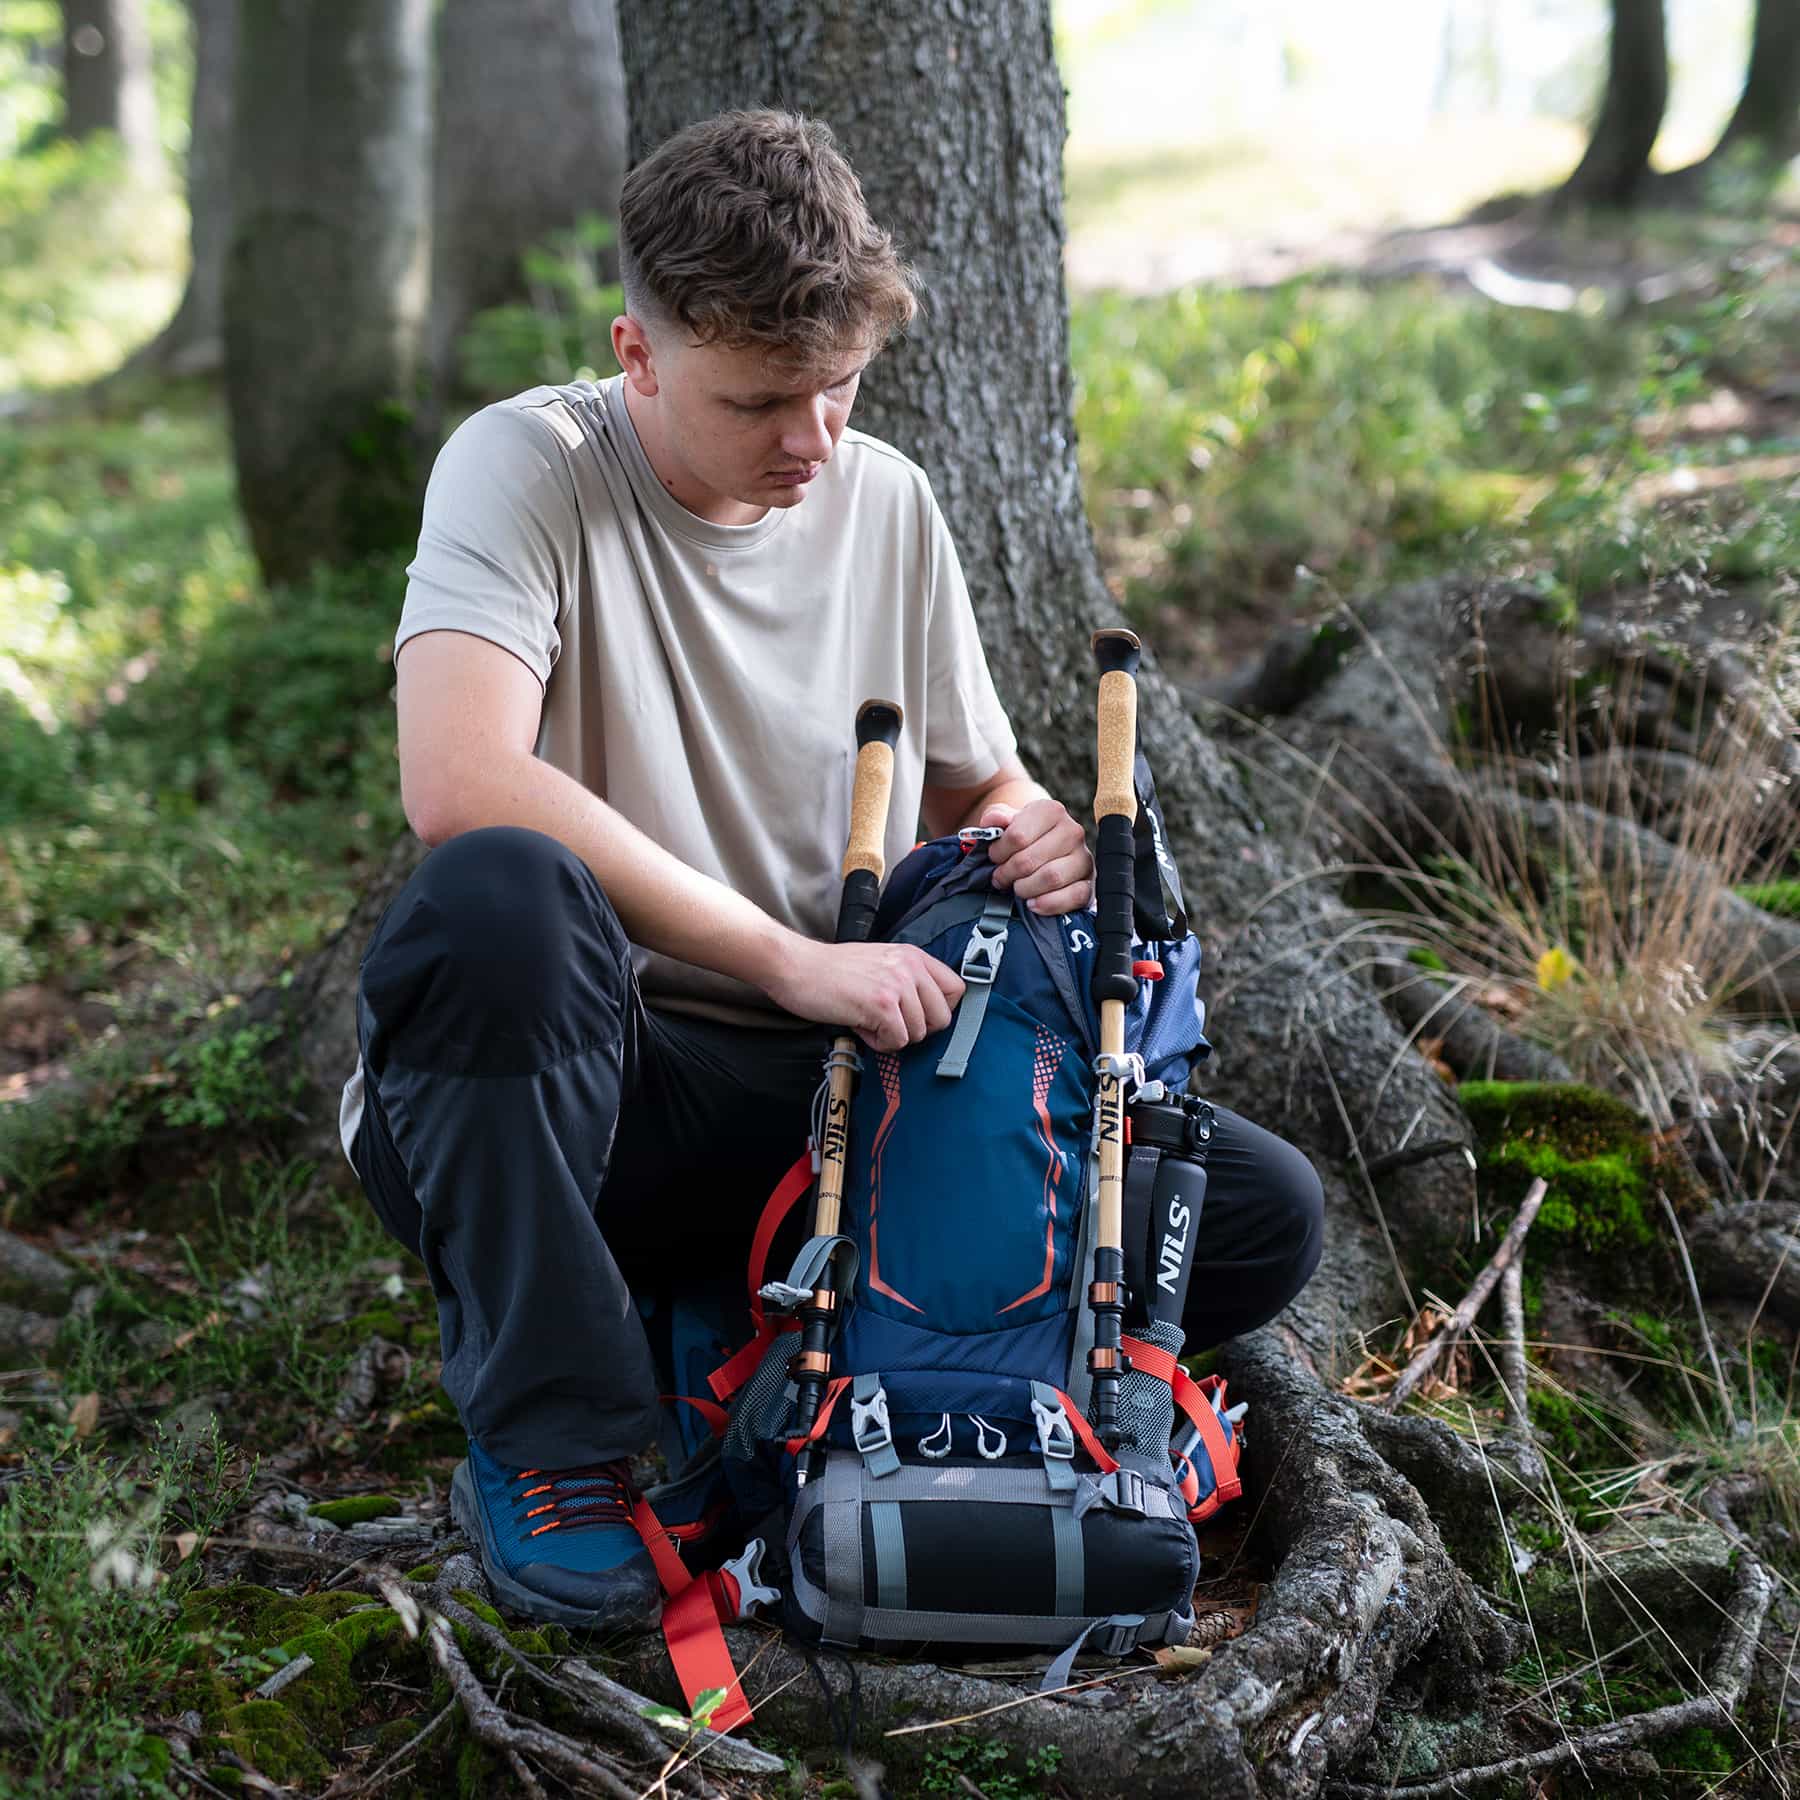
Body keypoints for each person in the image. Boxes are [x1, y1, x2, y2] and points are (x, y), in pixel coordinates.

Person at [342, 109, 1323, 1634]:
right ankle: (562, 1440)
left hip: (829, 1110)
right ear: (640, 352)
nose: (813, 441)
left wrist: (1033, 824)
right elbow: (460, 782)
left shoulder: (889, 501)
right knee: (497, 908)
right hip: (583, 1094)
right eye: (760, 401)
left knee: (1257, 1215)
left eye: (841, 388)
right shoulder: (525, 464)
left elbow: (973, 777)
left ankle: (812, 1354)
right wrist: (790, 961)